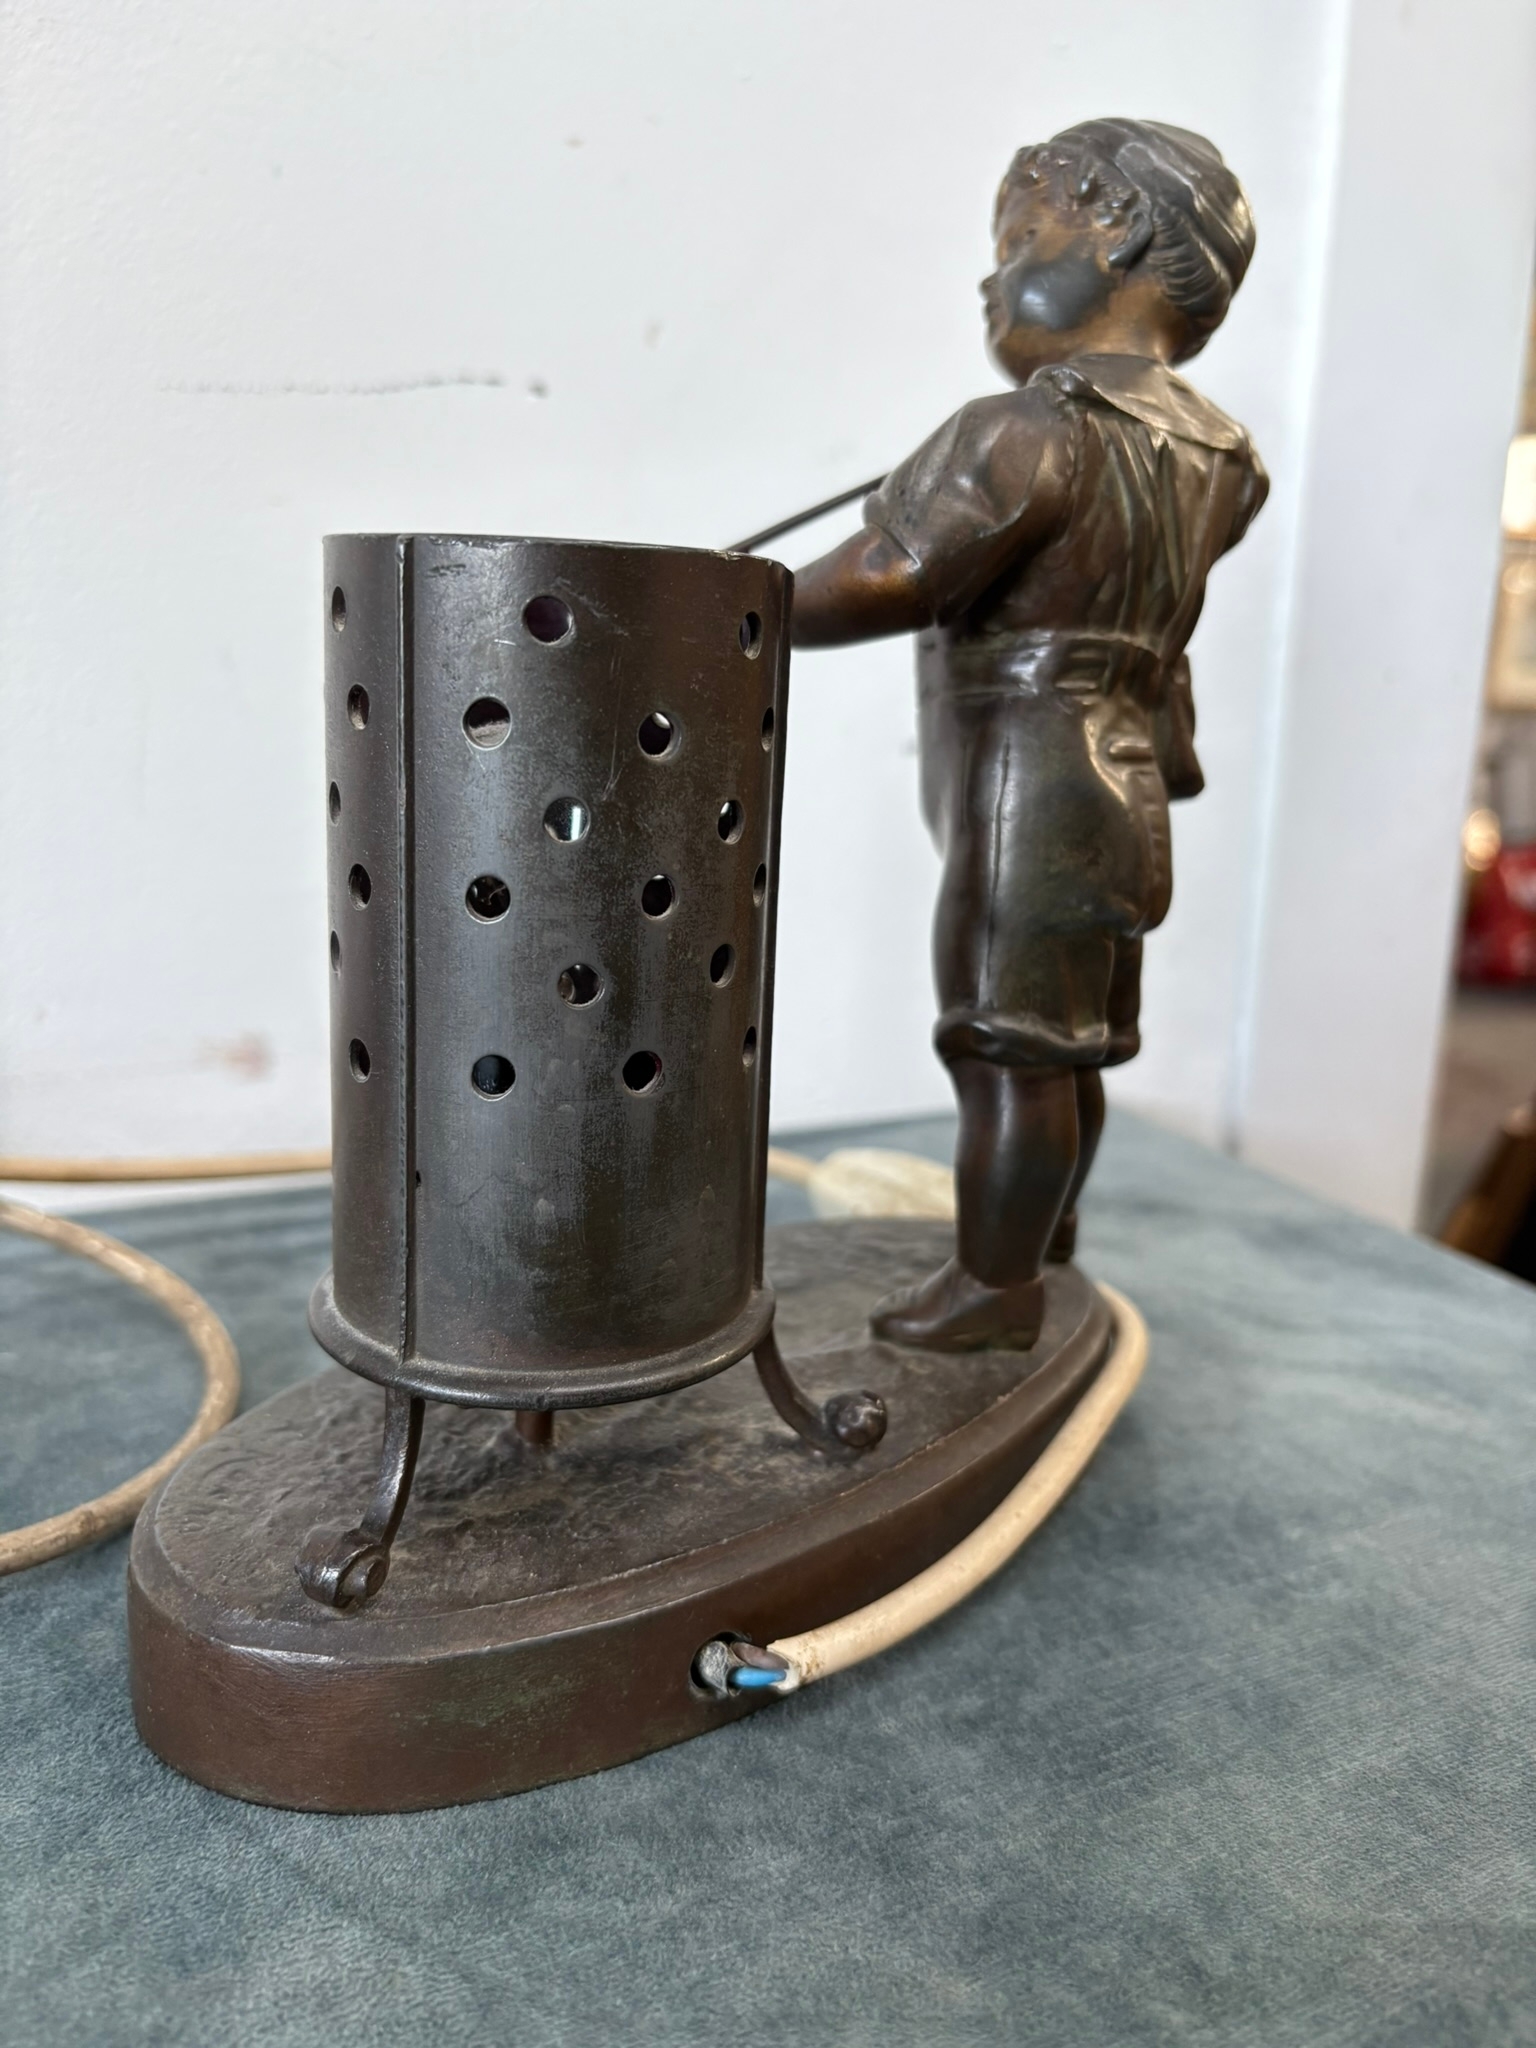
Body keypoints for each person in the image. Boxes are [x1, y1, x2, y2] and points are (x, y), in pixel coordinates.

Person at [790, 118, 1268, 1351]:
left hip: (1031, 771)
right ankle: (1043, 1247)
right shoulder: (1223, 457)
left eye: (1018, 239)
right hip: (1126, 777)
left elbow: (895, 571)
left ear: (1118, 231)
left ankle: (996, 1290)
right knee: (1069, 1047)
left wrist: (739, 605)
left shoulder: (1025, 431)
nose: (991, 276)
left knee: (1003, 1046)